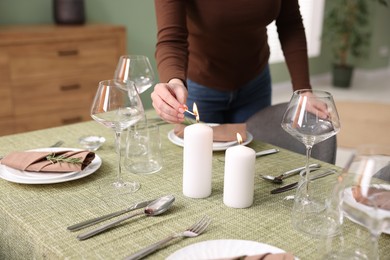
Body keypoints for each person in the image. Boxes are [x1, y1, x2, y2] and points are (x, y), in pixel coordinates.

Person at [151, 0, 312, 124]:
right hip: (199, 88)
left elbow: (290, 24)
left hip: (256, 82)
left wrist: (303, 90)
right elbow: (172, 39)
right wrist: (173, 82)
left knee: (257, 160)